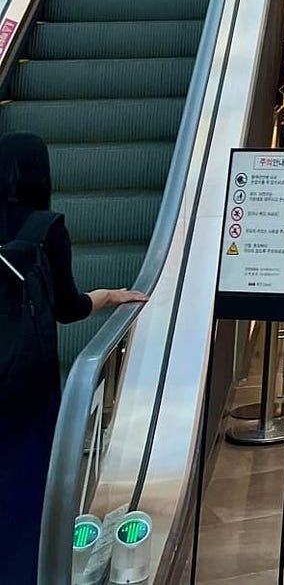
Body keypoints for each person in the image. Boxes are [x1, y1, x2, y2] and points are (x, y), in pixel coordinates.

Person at [0, 133, 145, 585]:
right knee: (26, 490)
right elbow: (67, 308)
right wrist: (110, 296)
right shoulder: (45, 226)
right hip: (27, 385)